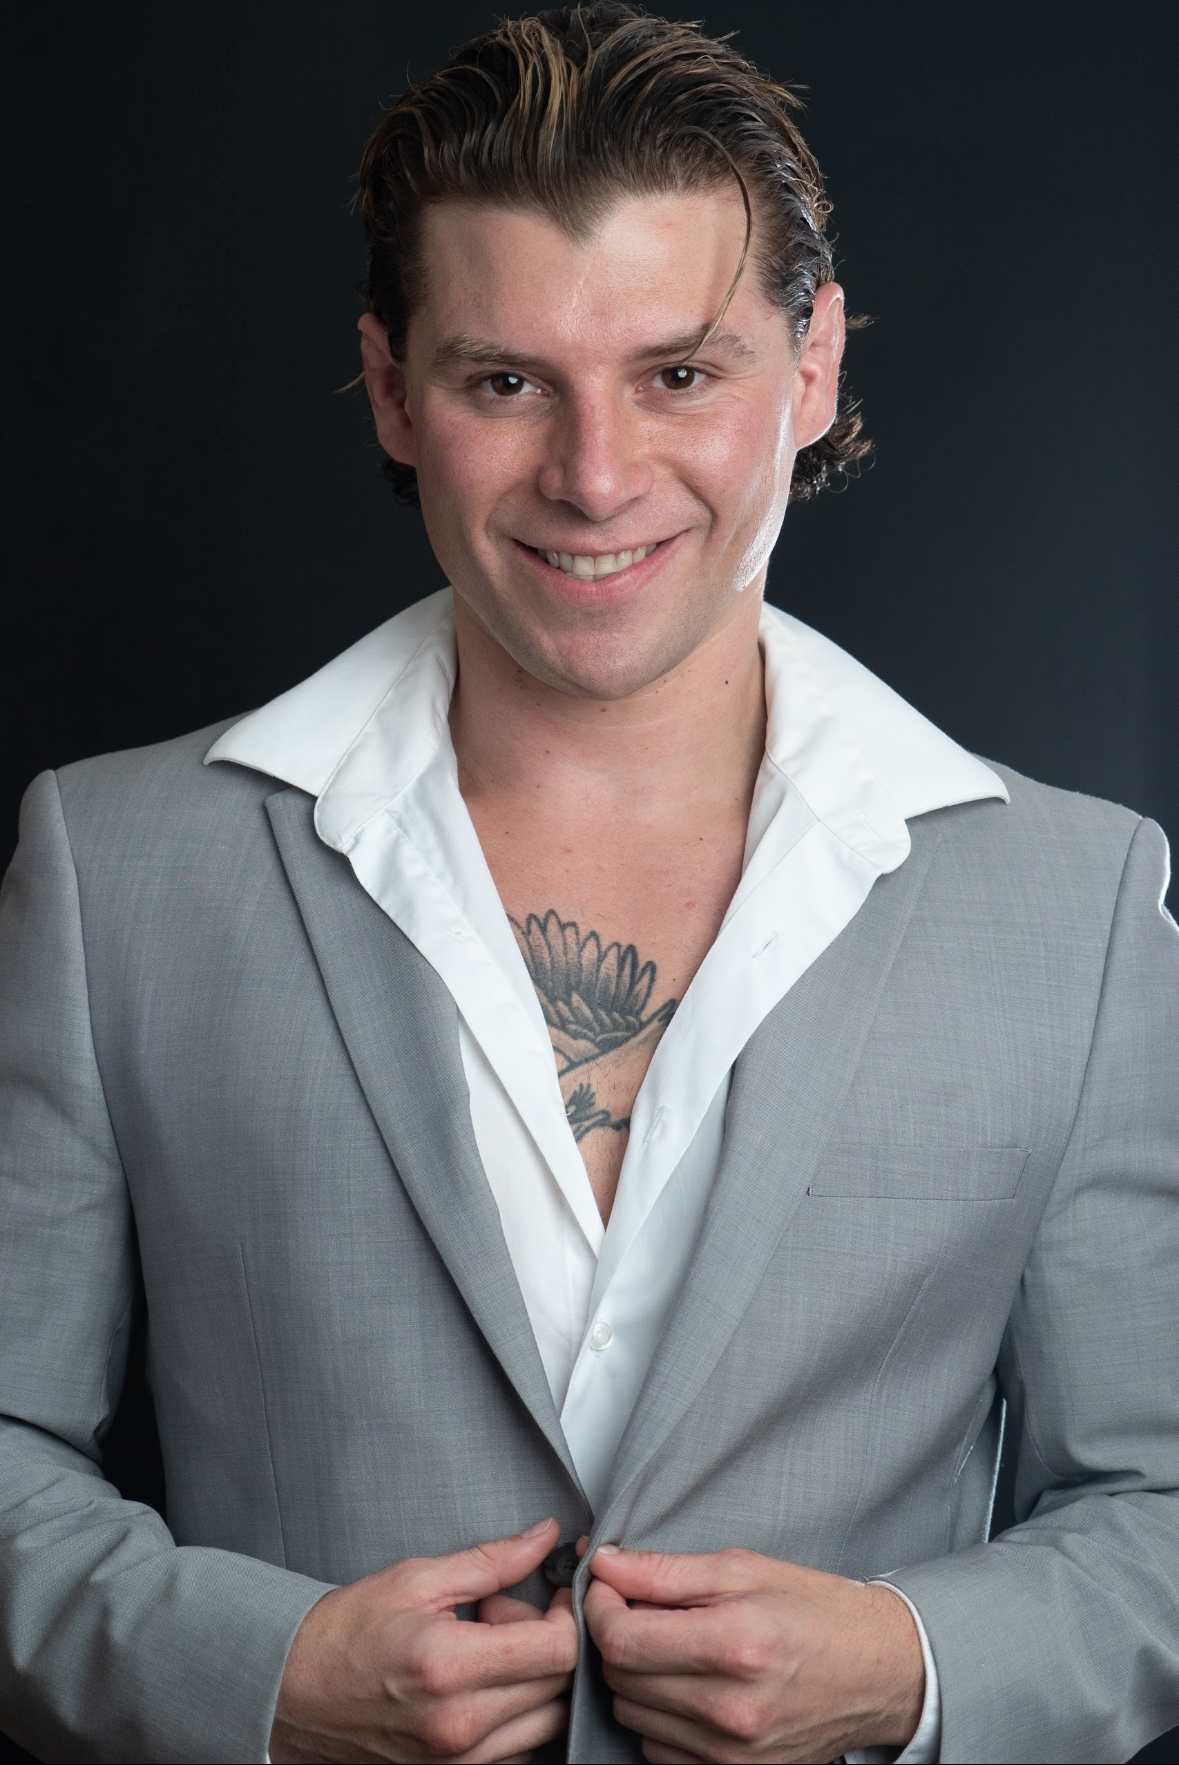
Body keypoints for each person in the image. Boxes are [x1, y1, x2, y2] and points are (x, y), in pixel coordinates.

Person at [1, 3, 1177, 1760]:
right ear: (395, 390)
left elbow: (1161, 1508)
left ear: (814, 364)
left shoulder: (1080, 906)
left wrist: (913, 1665)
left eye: (678, 372)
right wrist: (252, 1676)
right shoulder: (118, 868)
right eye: (504, 381)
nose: (596, 476)